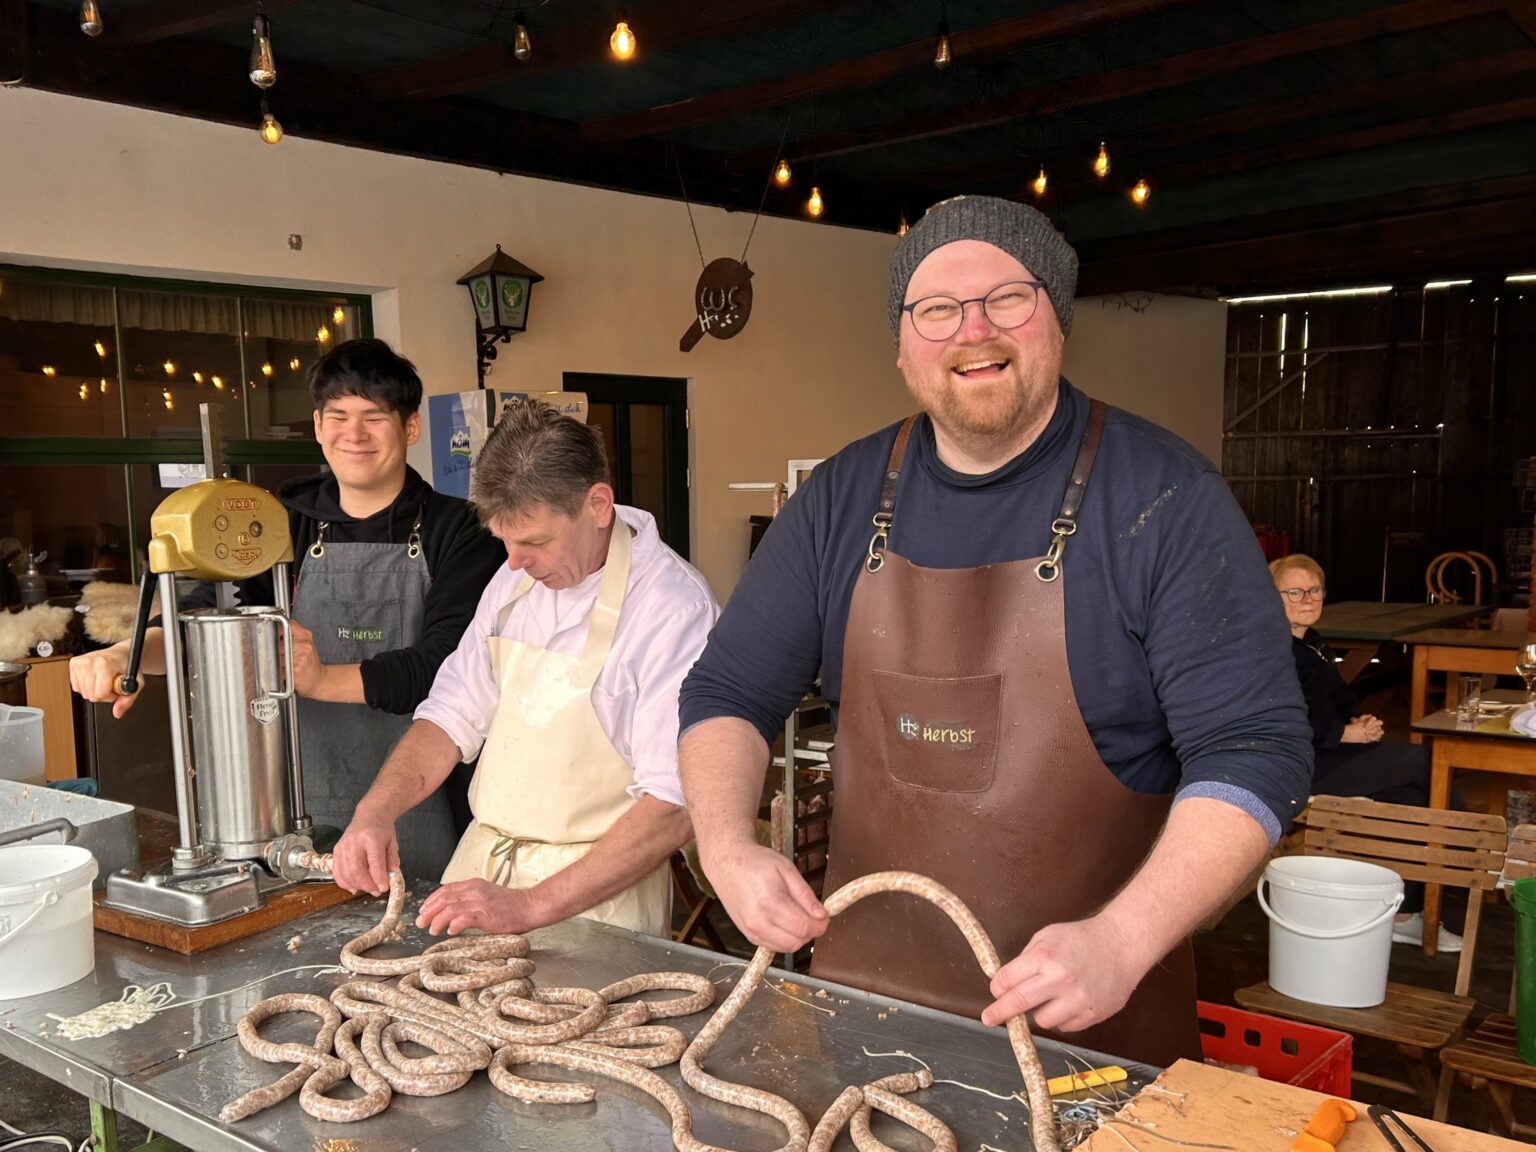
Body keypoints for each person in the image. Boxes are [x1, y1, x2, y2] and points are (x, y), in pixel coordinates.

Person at [677, 195, 1315, 1067]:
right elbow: (727, 693)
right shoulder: (838, 499)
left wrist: (1124, 941)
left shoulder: (1166, 500)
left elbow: (1255, 751)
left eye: (1007, 300)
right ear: (902, 347)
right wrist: (725, 845)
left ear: (1055, 320)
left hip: (1095, 1036)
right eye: (936, 310)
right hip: (866, 1028)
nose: (973, 332)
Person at [69, 339, 506, 877]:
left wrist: (322, 679)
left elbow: (448, 667)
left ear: (410, 428)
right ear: (319, 427)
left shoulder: (461, 531)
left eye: (375, 417)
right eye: (339, 416)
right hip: (292, 800)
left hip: (421, 802)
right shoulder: (280, 526)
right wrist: (125, 655)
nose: (355, 434)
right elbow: (207, 622)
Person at [329, 399, 719, 940]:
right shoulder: (514, 580)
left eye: (534, 541)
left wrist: (529, 907)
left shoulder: (673, 609)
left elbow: (674, 806)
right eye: (503, 541)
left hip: (596, 902)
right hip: (480, 874)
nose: (514, 562)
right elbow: (449, 714)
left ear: (598, 504)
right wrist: (375, 811)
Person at [1271, 553, 1462, 952]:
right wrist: (1344, 732)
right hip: (1301, 767)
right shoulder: (1268, 650)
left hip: (1334, 754)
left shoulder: (1313, 642)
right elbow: (1280, 718)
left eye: (1315, 589)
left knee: (1411, 798)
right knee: (1423, 760)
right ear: (1271, 597)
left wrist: (1363, 720)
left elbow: (1340, 696)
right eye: (1294, 591)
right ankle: (1475, 853)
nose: (1307, 598)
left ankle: (1406, 917)